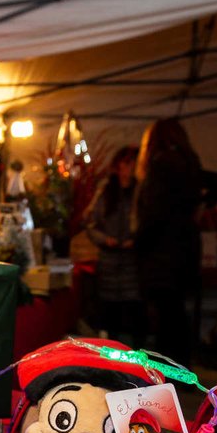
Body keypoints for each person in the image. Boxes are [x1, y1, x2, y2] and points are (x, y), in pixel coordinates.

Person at [132, 118, 203, 365]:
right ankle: (180, 370)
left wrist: (138, 243)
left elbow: (154, 213)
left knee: (165, 317)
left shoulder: (161, 166)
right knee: (176, 314)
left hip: (162, 253)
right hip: (184, 250)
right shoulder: (190, 164)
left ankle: (168, 372)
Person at [84, 146, 143, 347]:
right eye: (127, 163)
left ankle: (138, 360)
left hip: (133, 262)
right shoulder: (106, 190)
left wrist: (137, 240)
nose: (131, 168)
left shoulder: (141, 192)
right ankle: (112, 359)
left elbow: (148, 223)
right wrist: (104, 239)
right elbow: (90, 222)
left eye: (134, 163)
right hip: (109, 262)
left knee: (134, 315)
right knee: (110, 316)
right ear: (118, 166)